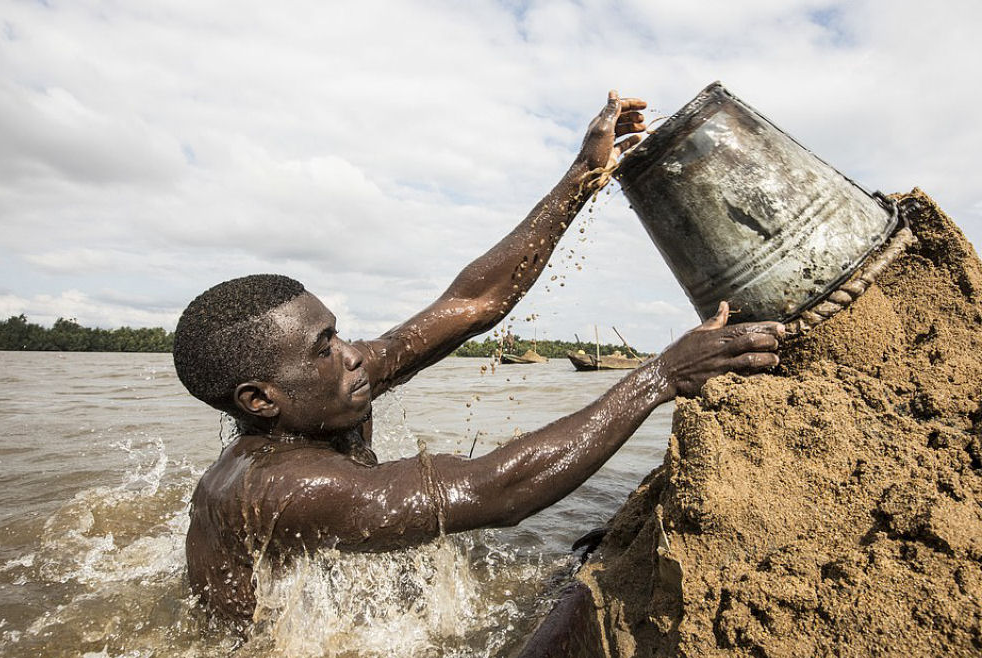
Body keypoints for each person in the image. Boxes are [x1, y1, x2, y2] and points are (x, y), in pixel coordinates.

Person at [173, 91, 784, 627]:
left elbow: (472, 301)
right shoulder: (282, 484)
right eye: (325, 348)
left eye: (339, 334)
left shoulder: (325, 394)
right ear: (260, 400)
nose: (355, 355)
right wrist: (662, 376)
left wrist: (580, 175)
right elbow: (497, 491)